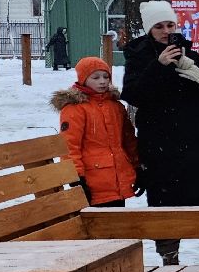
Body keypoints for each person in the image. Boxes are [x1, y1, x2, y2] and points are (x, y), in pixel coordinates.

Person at [122, 0, 199, 270]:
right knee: (165, 198)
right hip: (160, 138)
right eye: (159, 26)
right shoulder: (138, 55)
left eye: (170, 25)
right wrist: (159, 65)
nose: (166, 31)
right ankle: (170, 257)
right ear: (149, 29)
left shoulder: (187, 51)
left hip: (196, 135)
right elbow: (133, 95)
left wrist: (191, 68)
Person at [51, 56, 139, 207]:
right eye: (96, 77)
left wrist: (137, 166)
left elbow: (128, 140)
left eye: (106, 76)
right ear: (83, 79)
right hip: (92, 180)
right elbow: (70, 145)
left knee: (116, 224)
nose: (102, 81)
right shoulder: (75, 109)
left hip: (116, 179)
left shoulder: (115, 106)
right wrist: (76, 177)